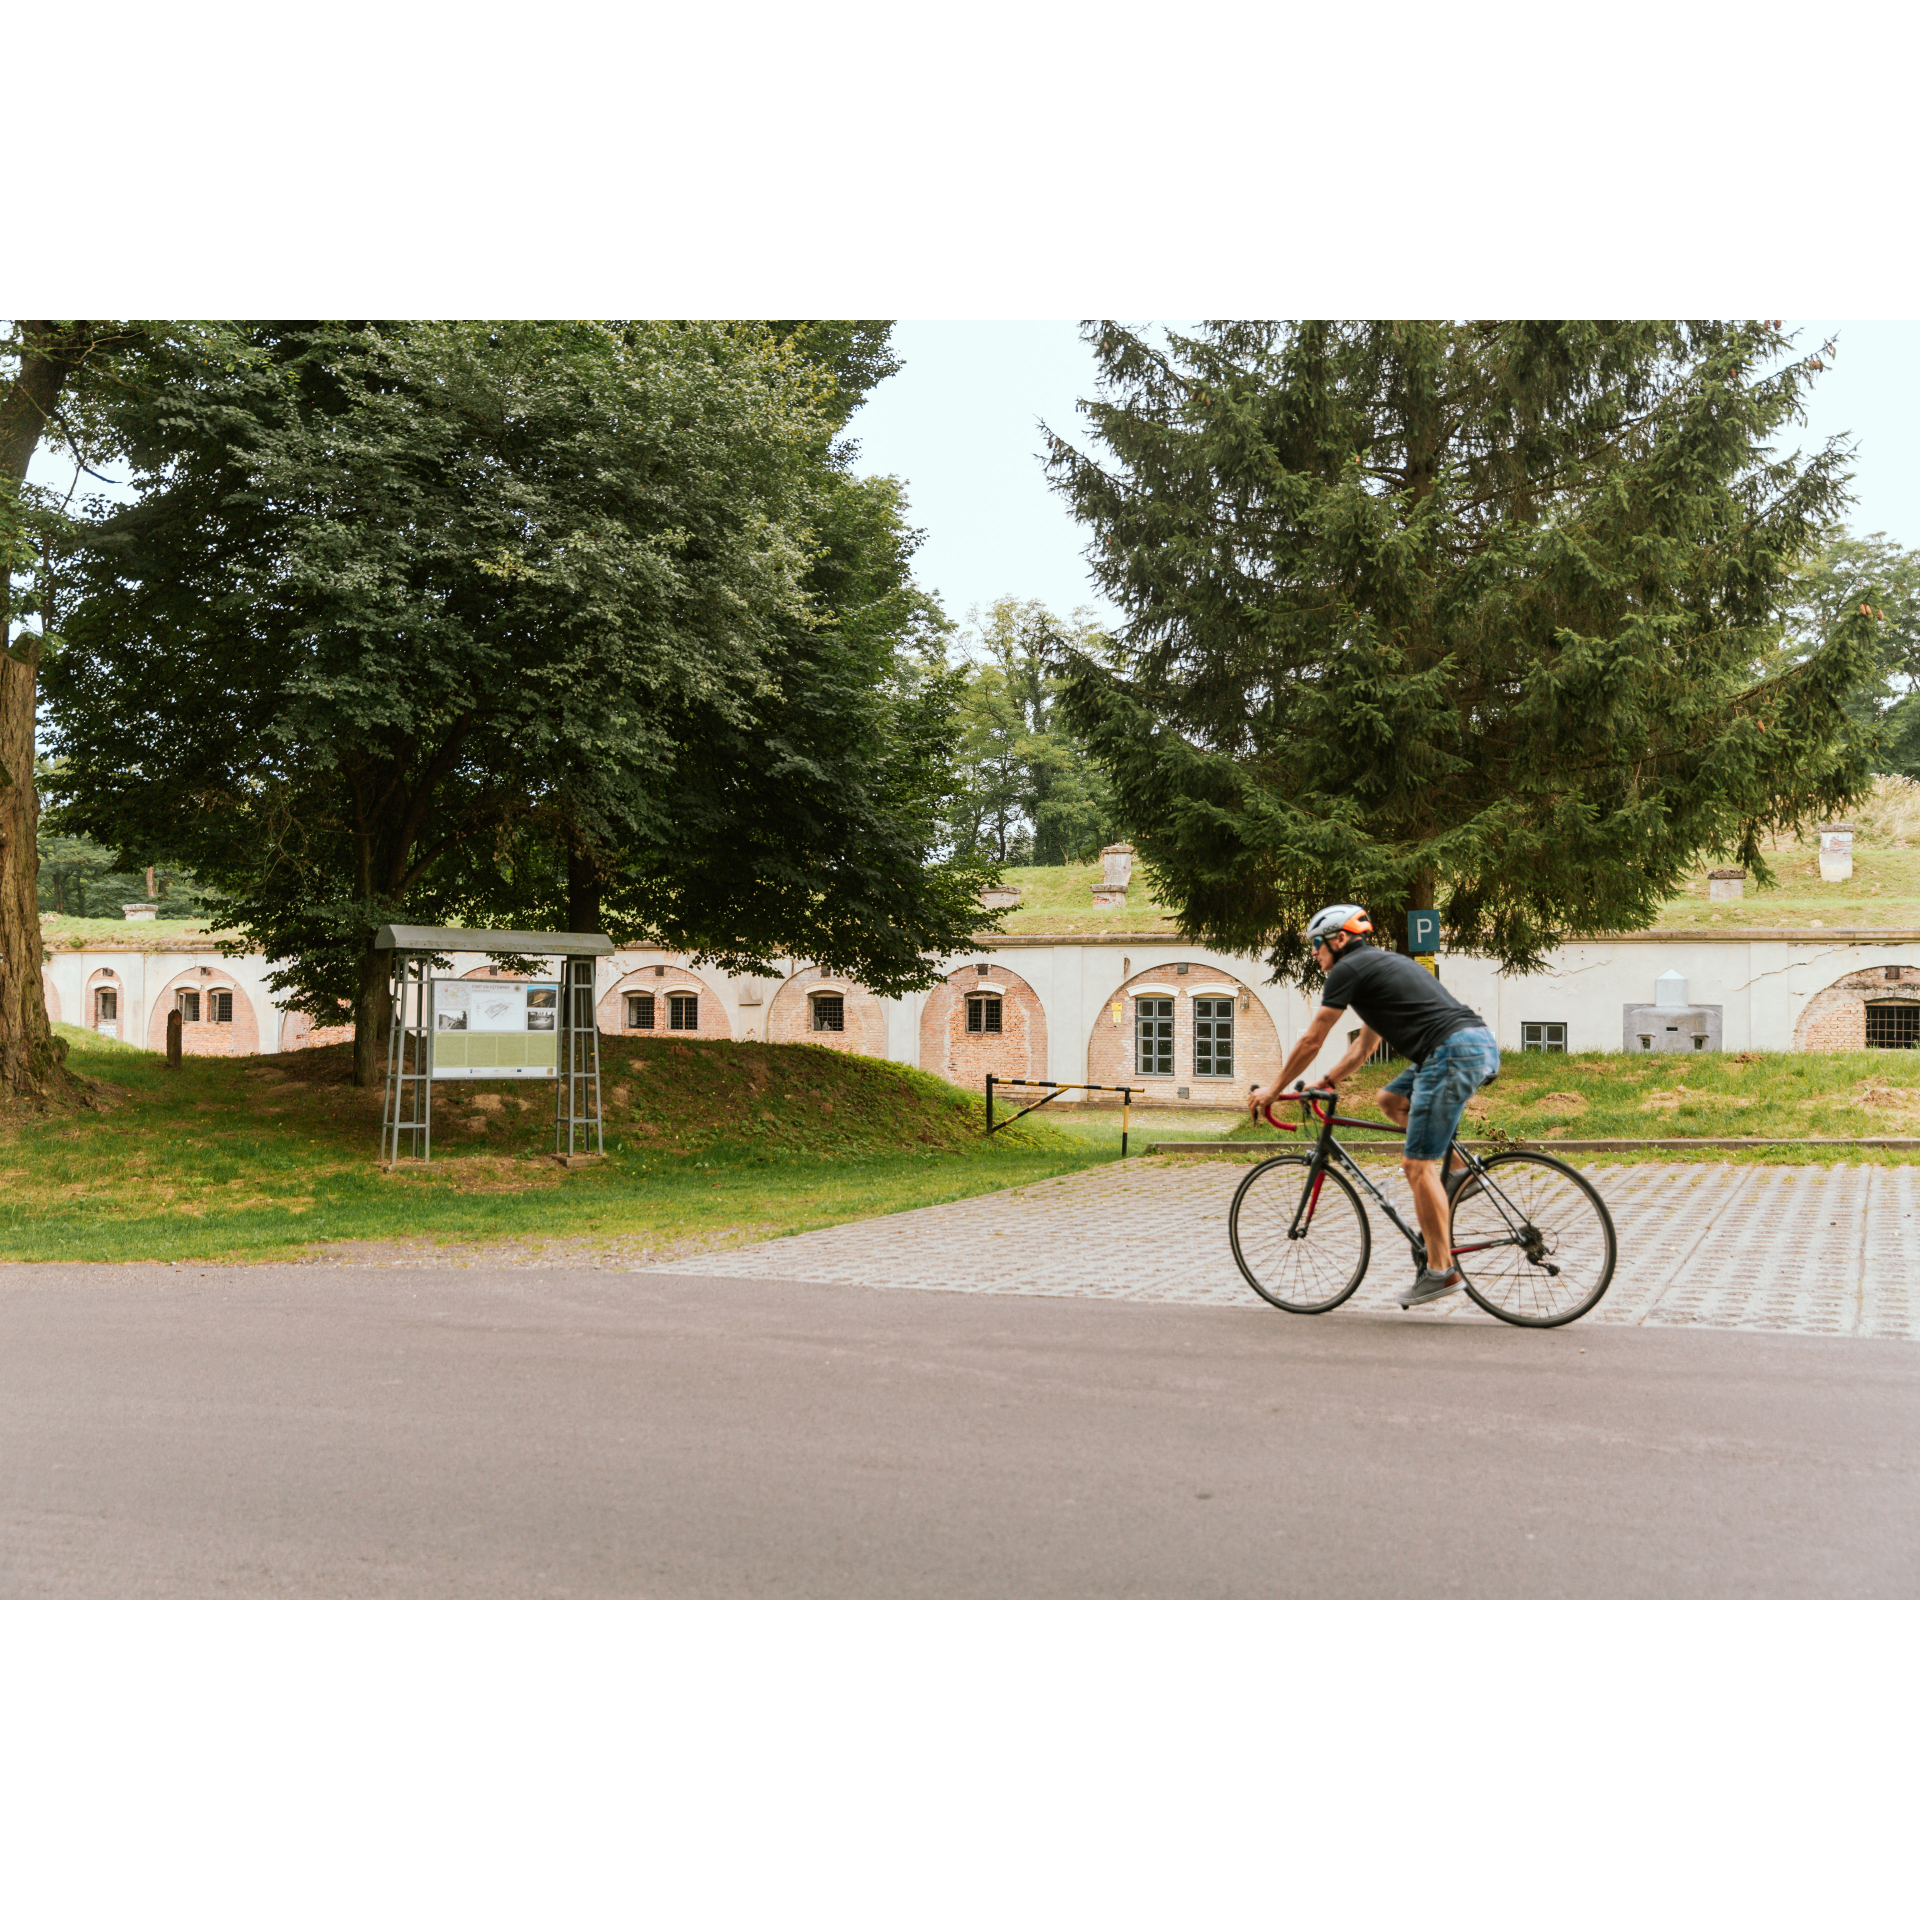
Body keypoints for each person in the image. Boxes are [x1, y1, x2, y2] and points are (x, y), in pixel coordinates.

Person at [1248, 906, 1500, 1307]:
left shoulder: (1348, 971)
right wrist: (1327, 1082)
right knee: (1390, 1100)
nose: (1314, 953)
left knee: (1416, 1166)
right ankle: (1458, 1174)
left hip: (1450, 1053)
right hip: (1473, 1044)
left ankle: (1441, 1270)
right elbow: (1365, 1047)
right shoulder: (1379, 969)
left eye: (1317, 943)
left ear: (1340, 940)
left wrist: (1274, 1090)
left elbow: (1312, 1039)